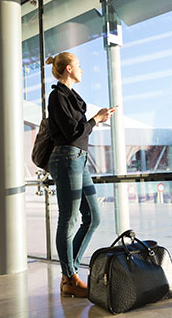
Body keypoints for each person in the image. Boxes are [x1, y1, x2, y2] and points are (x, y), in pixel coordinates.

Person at [46, 52, 116, 298]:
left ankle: (70, 273)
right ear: (67, 69)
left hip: (79, 159)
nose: (82, 70)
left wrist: (99, 118)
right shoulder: (57, 96)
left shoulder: (73, 98)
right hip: (66, 158)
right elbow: (73, 132)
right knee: (69, 218)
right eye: (79, 65)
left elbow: (78, 133)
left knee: (93, 217)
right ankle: (70, 277)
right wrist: (96, 119)